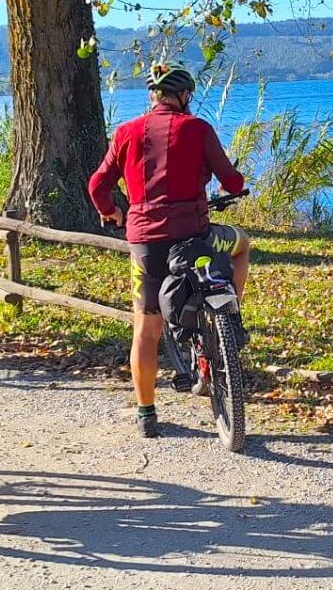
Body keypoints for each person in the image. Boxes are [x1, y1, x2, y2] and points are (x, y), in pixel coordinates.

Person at [87, 63, 250, 438]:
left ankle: (146, 413)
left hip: (146, 244)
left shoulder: (126, 132)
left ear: (153, 96)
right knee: (241, 246)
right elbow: (233, 180)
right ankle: (229, 316)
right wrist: (227, 190)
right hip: (195, 237)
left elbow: (97, 184)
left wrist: (111, 211)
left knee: (146, 328)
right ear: (185, 96)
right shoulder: (197, 128)